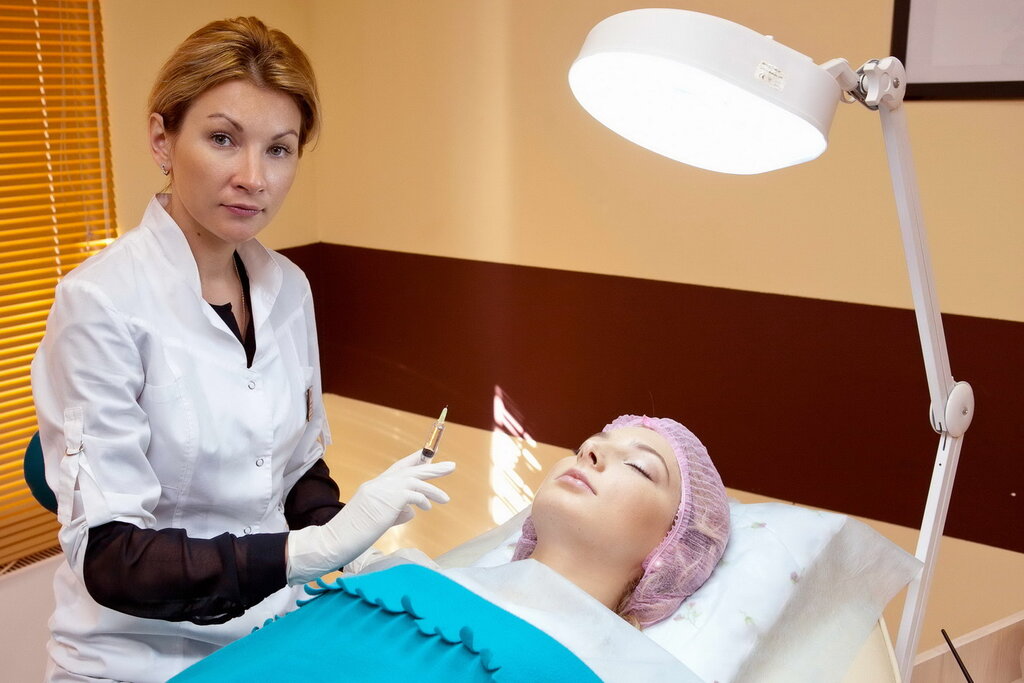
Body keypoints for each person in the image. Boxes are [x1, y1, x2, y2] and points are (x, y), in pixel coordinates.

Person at [30, 17, 454, 682]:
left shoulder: (288, 288)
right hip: (135, 656)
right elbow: (112, 559)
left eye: (279, 149)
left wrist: (357, 546)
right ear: (162, 139)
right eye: (223, 139)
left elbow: (296, 471)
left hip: (270, 631)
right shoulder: (100, 303)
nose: (254, 178)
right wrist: (308, 551)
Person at [170, 415, 731, 682]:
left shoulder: (636, 675)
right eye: (590, 443)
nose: (591, 452)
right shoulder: (400, 577)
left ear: (672, 550)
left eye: (639, 467)